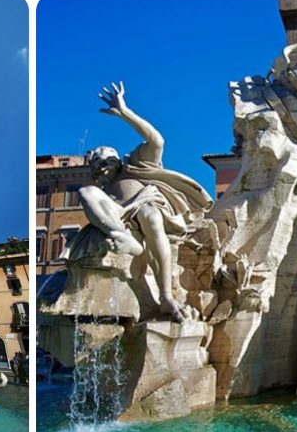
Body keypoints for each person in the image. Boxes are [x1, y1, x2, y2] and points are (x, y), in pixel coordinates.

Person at [63, 82, 213, 322]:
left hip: (145, 208)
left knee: (151, 216)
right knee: (85, 192)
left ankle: (166, 296)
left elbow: (157, 142)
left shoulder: (136, 166)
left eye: (107, 160)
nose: (102, 165)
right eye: (96, 163)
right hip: (117, 221)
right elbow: (93, 195)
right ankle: (121, 236)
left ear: (119, 161)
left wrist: (125, 113)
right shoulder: (101, 191)